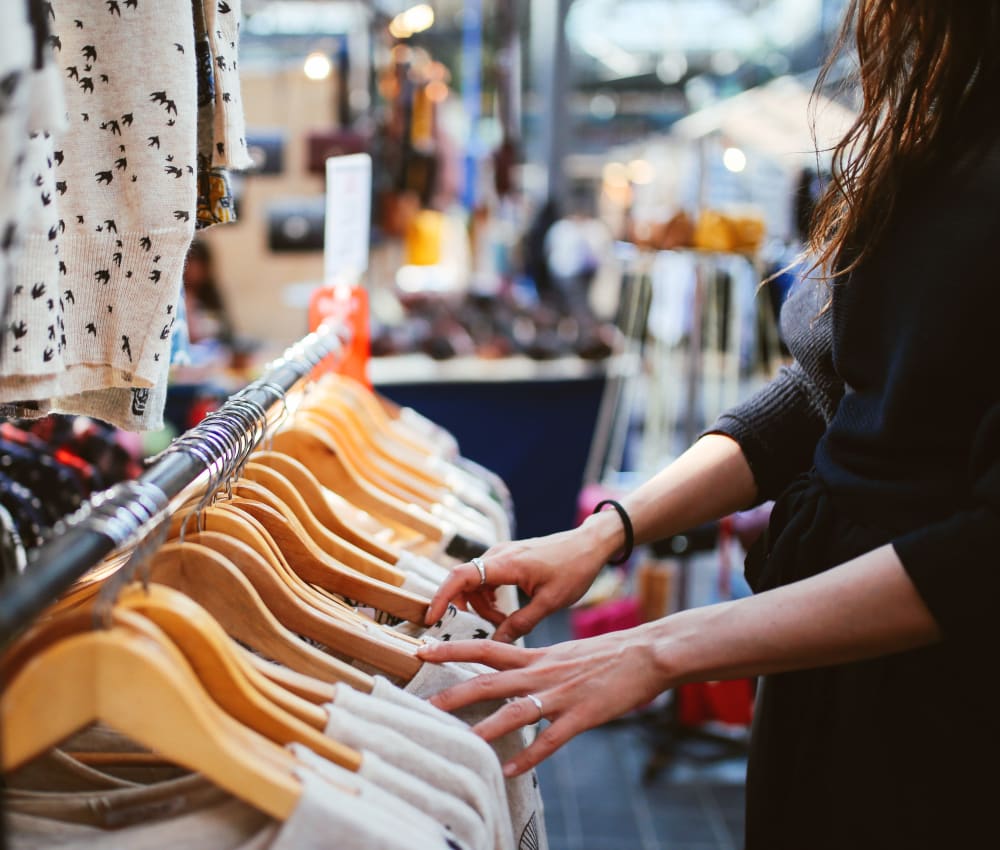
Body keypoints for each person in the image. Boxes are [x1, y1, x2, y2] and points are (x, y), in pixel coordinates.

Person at [416, 2, 1000, 847]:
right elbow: (828, 388)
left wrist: (659, 650)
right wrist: (606, 534)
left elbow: (983, 555)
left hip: (941, 698)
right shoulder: (938, 119)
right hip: (822, 660)